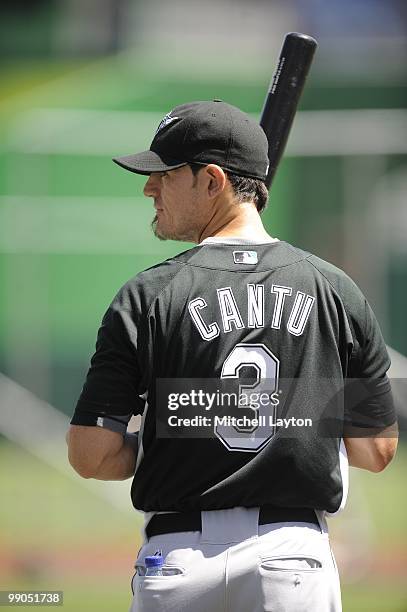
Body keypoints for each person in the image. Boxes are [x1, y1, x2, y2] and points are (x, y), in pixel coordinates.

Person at [67, 100, 398, 612]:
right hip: (292, 562)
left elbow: (92, 455)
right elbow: (375, 451)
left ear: (213, 180)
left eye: (165, 175)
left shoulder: (148, 295)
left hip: (176, 563)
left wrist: (173, 433)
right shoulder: (335, 291)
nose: (149, 188)